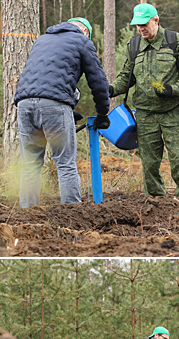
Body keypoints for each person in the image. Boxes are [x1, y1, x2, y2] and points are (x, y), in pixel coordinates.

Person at [14, 17, 110, 208]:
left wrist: (68, 109)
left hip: (24, 105)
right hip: (55, 106)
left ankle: (27, 218)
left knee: (30, 166)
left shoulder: (41, 40)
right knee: (65, 164)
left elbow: (45, 77)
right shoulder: (82, 41)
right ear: (85, 31)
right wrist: (102, 114)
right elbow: (98, 83)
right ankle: (72, 216)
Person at [109, 6, 179, 198]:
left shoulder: (175, 41)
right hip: (144, 115)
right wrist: (111, 89)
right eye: (138, 25)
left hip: (173, 112)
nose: (141, 29)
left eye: (145, 24)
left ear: (156, 20)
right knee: (149, 165)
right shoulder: (133, 46)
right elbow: (126, 77)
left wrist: (172, 89)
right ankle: (156, 204)